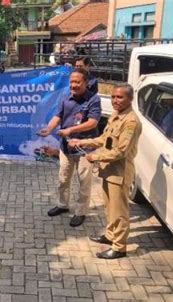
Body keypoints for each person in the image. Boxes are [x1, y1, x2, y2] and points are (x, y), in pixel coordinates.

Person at [68, 83, 142, 259]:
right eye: (114, 97)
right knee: (109, 208)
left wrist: (95, 157)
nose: (115, 101)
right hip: (109, 170)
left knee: (119, 211)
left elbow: (121, 151)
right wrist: (82, 142)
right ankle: (110, 236)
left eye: (120, 97)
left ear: (130, 99)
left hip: (120, 173)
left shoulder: (130, 121)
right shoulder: (116, 115)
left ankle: (119, 247)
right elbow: (104, 139)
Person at [39, 68, 102, 227]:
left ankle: (80, 212)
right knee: (63, 179)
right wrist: (49, 128)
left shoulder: (93, 99)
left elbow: (93, 123)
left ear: (86, 83)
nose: (73, 85)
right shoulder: (65, 96)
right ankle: (62, 205)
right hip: (66, 147)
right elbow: (57, 115)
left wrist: (70, 130)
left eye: (77, 82)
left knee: (84, 182)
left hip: (85, 147)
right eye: (71, 82)